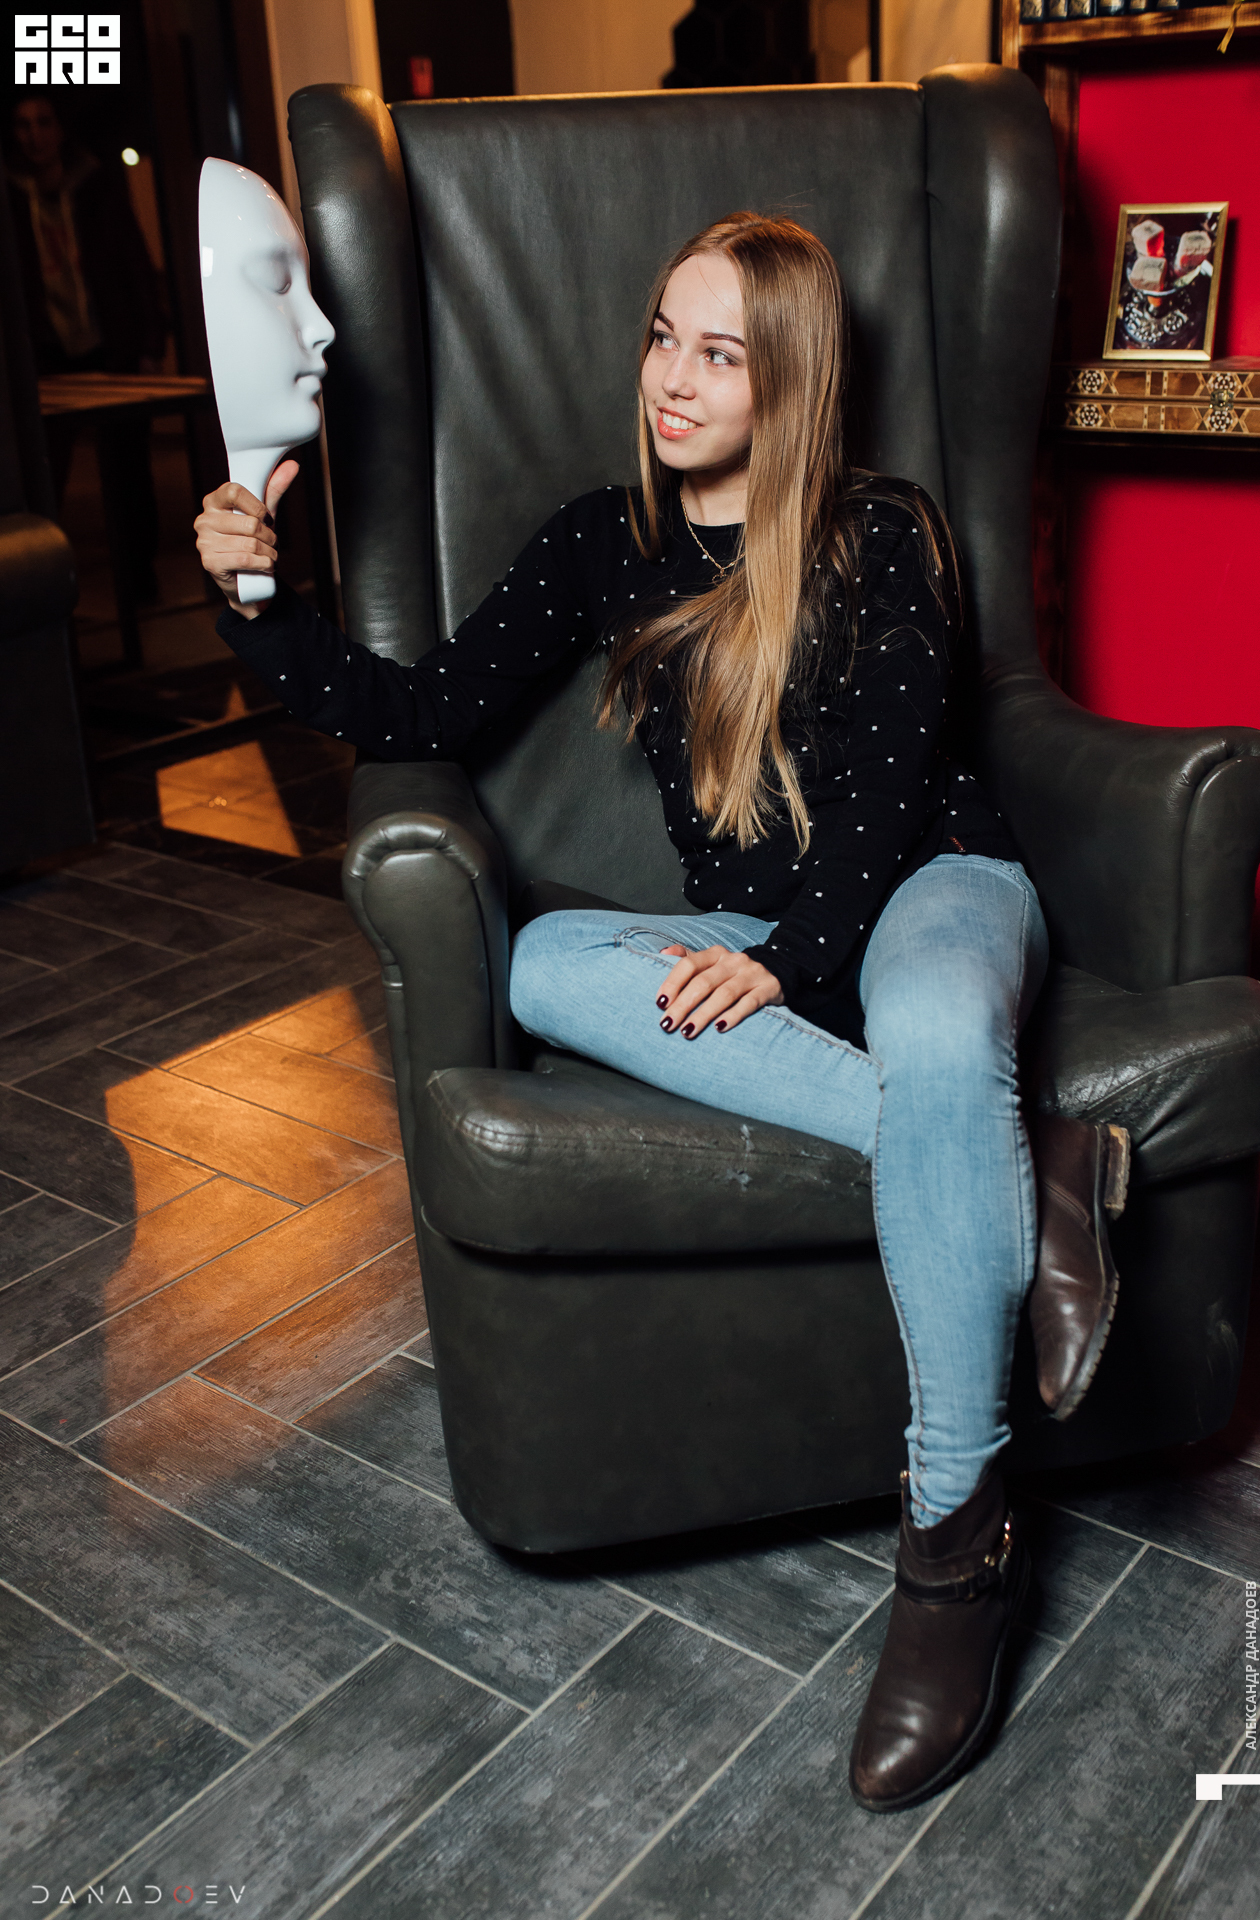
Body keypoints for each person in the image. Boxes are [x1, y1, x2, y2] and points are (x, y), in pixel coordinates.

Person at [194, 212, 1127, 1812]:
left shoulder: (881, 528)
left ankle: (954, 1548)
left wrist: (790, 963)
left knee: (932, 1033)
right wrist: (258, 602)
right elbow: (419, 711)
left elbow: (893, 781)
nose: (674, 380)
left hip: (935, 881)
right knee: (545, 964)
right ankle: (1027, 1163)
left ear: (792, 379)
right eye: (661, 338)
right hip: (750, 922)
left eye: (722, 354)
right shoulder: (601, 542)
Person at [7, 94, 167, 599]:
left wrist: (149, 340)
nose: (34, 135)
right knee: (42, 473)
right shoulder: (12, 196)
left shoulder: (95, 185)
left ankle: (140, 577)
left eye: (43, 123)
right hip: (46, 352)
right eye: (23, 125)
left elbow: (134, 261)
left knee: (128, 469)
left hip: (109, 343)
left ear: (59, 129)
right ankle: (42, 582)